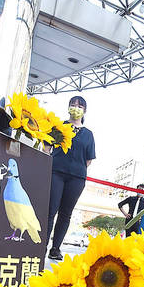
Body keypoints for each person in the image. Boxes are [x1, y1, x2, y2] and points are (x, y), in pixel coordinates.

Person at [47, 96, 95, 260]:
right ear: (68, 107)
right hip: (56, 171)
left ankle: (55, 248)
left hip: (77, 178)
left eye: (79, 106)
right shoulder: (59, 126)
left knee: (65, 213)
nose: (76, 108)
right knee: (50, 210)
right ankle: (41, 245)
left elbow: (88, 160)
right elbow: (47, 146)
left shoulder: (88, 134)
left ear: (84, 111)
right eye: (73, 105)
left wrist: (75, 167)